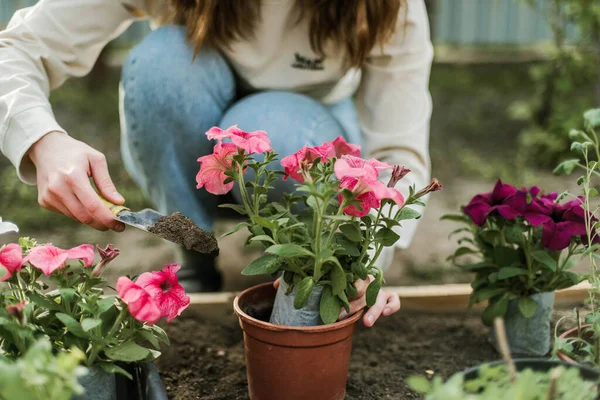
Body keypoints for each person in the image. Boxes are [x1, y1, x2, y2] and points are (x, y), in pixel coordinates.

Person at [0, 0, 433, 326]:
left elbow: (398, 151)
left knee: (275, 132)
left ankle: (297, 269)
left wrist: (366, 261)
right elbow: (17, 47)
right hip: (192, 121)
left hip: (304, 128)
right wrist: (42, 139)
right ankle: (192, 252)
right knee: (160, 69)